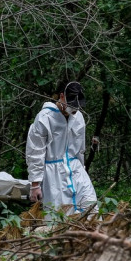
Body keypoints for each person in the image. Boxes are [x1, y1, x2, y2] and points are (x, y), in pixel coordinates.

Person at [25, 79, 97, 213]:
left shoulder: (78, 118)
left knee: (90, 207)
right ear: (62, 96)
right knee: (60, 215)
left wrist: (82, 169)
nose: (74, 108)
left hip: (77, 171)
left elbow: (80, 149)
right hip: (53, 175)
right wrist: (35, 184)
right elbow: (35, 151)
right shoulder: (44, 118)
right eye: (72, 104)